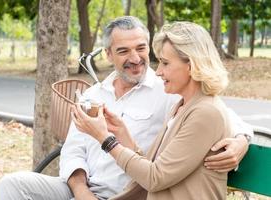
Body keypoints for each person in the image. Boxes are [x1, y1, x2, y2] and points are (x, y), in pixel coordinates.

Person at [0, 16, 252, 200]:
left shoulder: (169, 91)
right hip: (82, 190)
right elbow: (72, 152)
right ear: (108, 54)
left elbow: (218, 115)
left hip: (129, 194)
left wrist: (242, 139)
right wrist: (82, 193)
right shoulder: (94, 94)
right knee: (13, 185)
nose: (136, 58)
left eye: (141, 48)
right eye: (123, 51)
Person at [71, 21, 237, 199]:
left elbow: (154, 178)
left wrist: (105, 139)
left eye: (165, 63)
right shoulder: (181, 105)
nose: (158, 72)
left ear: (192, 65)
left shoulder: (206, 112)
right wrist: (122, 135)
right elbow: (153, 168)